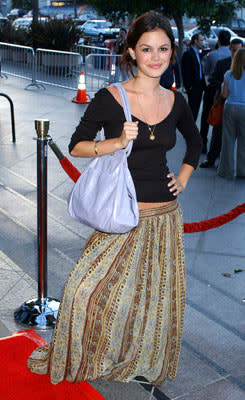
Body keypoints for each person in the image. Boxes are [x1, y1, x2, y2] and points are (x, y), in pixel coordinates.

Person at [27, 11, 201, 386]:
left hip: (165, 217)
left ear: (172, 52)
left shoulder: (177, 101)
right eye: (147, 49)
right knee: (84, 288)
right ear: (132, 52)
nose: (156, 57)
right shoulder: (111, 98)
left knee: (152, 298)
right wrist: (117, 142)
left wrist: (183, 178)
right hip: (122, 216)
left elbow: (196, 143)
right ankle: (90, 349)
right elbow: (77, 146)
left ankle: (136, 356)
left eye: (164, 49)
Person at [200, 39, 243, 168]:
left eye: (238, 50)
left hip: (236, 105)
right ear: (230, 49)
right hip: (224, 104)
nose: (235, 52)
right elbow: (213, 80)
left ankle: (231, 166)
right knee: (218, 133)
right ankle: (212, 158)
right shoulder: (222, 64)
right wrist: (223, 85)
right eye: (233, 49)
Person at [200, 30, 231, 153]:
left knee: (206, 115)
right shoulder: (231, 55)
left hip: (213, 88)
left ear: (218, 40)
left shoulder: (213, 55)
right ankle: (219, 147)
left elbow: (206, 72)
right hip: (227, 90)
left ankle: (203, 142)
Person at [217, 47, 245, 178]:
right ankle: (242, 171)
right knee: (243, 142)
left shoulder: (229, 74)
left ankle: (226, 171)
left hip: (230, 108)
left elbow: (224, 94)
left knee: (228, 140)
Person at [181, 33, 206, 120]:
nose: (203, 42)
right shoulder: (188, 54)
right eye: (201, 40)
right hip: (193, 87)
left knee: (195, 111)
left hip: (199, 86)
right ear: (195, 41)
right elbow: (186, 71)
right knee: (192, 111)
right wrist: (188, 86)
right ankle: (189, 131)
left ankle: (191, 130)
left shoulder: (198, 53)